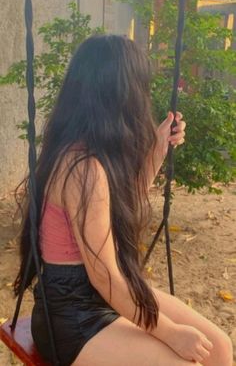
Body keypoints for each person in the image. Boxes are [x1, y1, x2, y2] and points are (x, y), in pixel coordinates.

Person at [14, 35, 233, 366]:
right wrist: (171, 333)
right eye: (141, 87)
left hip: (103, 293)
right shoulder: (82, 169)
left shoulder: (90, 150)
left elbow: (118, 217)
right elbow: (105, 278)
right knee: (184, 361)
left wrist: (157, 150)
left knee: (219, 346)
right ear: (121, 95)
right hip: (73, 315)